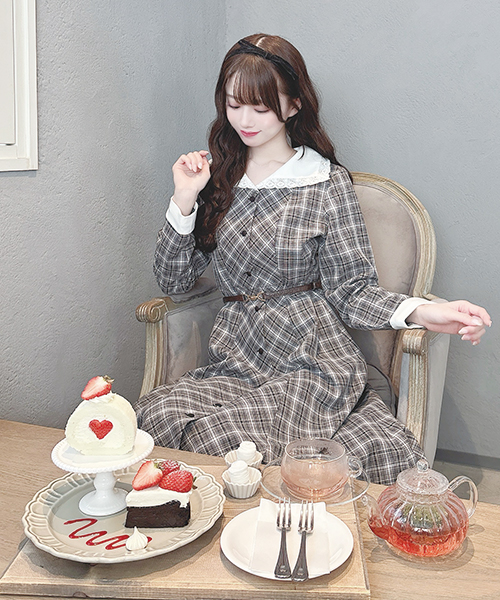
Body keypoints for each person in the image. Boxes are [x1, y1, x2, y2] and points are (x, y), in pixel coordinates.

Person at [136, 34, 491, 484]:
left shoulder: (326, 182)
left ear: (293, 105)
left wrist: (425, 311)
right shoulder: (218, 178)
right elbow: (173, 281)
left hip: (309, 357)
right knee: (157, 416)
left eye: (260, 107)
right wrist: (184, 198)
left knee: (256, 444)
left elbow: (352, 290)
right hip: (235, 360)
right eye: (233, 104)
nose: (244, 120)